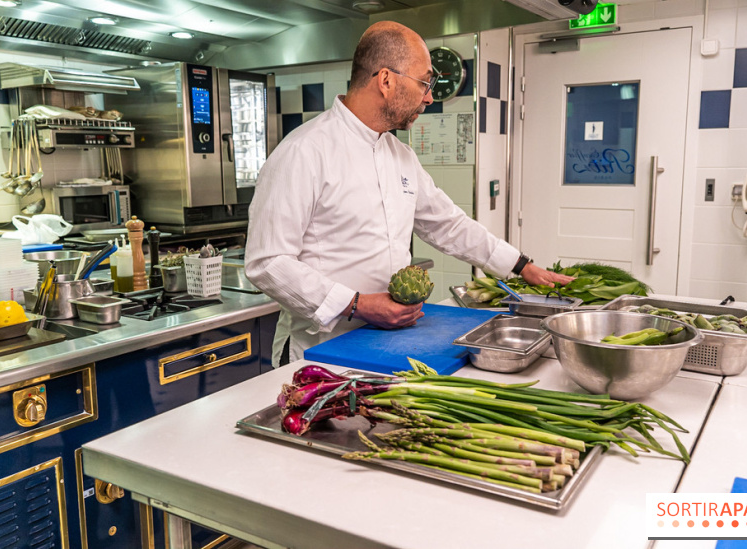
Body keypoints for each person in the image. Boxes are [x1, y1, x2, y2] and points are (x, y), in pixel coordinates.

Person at [245, 21, 574, 368]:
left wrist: (521, 266)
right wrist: (356, 304)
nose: (430, 97)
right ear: (386, 80)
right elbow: (267, 261)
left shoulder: (400, 155)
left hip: (384, 344)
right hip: (319, 351)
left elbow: (447, 224)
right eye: (424, 82)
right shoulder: (303, 151)